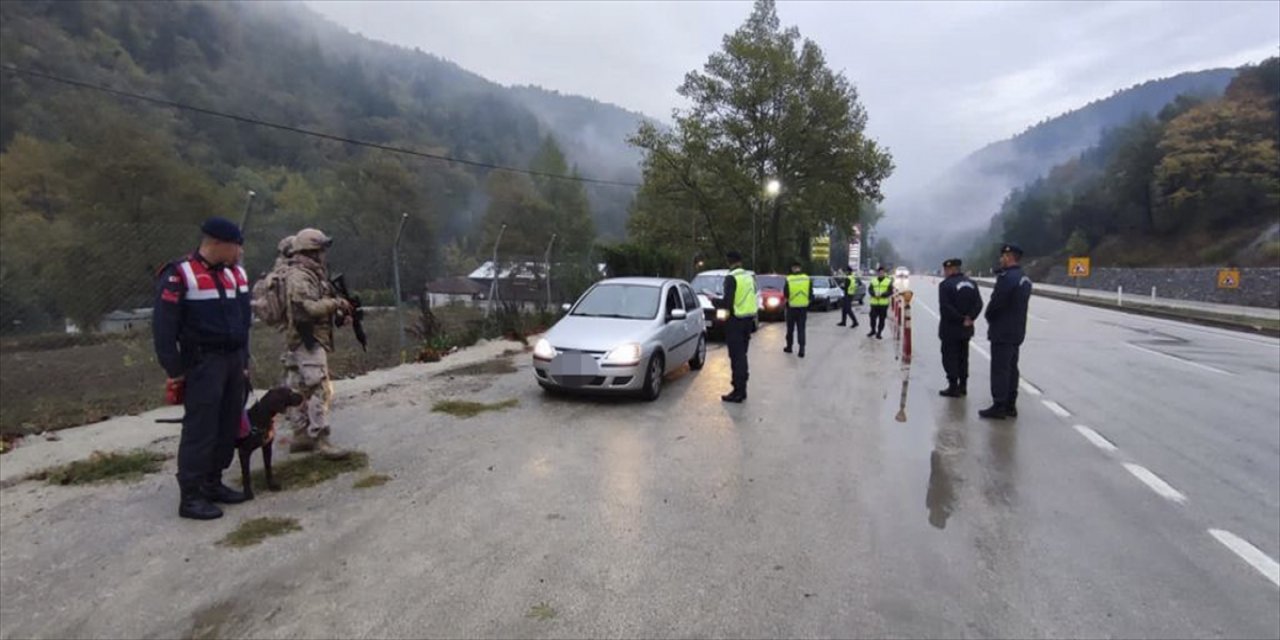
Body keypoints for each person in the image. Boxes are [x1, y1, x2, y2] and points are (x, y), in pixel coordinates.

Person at [152, 217, 251, 520]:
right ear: (217, 243)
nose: (239, 253)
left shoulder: (234, 274)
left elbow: (244, 322)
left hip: (233, 360)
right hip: (203, 362)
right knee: (201, 428)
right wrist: (175, 369)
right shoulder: (179, 274)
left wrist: (244, 361)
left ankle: (213, 482)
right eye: (236, 246)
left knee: (227, 423)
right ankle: (191, 495)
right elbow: (164, 328)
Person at [283, 228, 353, 457]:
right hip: (308, 340)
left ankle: (302, 435)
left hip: (303, 339)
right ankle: (320, 438)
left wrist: (339, 312)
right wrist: (336, 304)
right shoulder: (300, 276)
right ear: (311, 251)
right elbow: (310, 308)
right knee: (318, 388)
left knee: (299, 387)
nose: (324, 254)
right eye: (321, 250)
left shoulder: (311, 274)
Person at [979, 244, 1033, 419]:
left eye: (1003, 256)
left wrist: (989, 315)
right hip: (1017, 330)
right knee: (1012, 368)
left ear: (1009, 257)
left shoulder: (1006, 278)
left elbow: (997, 302)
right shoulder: (1024, 278)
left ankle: (999, 405)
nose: (1000, 259)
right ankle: (1010, 404)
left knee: (1000, 369)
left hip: (1002, 330)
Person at [937, 258, 984, 397]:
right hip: (966, 329)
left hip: (951, 328)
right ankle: (963, 385)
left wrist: (960, 319)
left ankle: (953, 386)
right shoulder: (972, 284)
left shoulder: (945, 285)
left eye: (946, 270)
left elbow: (946, 307)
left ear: (952, 269)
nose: (944, 272)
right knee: (963, 357)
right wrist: (970, 318)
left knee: (950, 357)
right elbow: (979, 304)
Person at [720, 251, 757, 403]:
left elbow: (727, 303)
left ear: (729, 262)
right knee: (742, 356)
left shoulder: (731, 278)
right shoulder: (748, 277)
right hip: (748, 320)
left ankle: (738, 391)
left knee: (737, 358)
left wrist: (713, 301)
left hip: (735, 321)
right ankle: (742, 389)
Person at [783, 261, 811, 358]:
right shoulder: (807, 278)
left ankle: (789, 347)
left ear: (793, 268)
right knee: (801, 329)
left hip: (791, 308)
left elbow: (785, 294)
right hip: (803, 308)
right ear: (800, 268)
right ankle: (801, 349)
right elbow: (811, 293)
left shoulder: (789, 279)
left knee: (790, 329)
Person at [866, 265, 894, 339]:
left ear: (884, 273)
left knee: (882, 319)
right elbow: (870, 290)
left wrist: (882, 294)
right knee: (872, 318)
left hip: (883, 304)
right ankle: (873, 330)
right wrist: (874, 294)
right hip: (874, 303)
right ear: (877, 273)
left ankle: (879, 333)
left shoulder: (888, 281)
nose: (881, 274)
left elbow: (890, 291)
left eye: (882, 272)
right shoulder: (873, 280)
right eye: (880, 272)